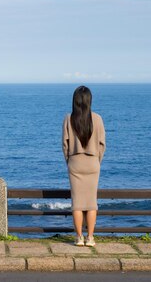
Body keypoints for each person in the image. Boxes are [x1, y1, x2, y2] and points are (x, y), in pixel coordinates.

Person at [62, 86, 106, 247]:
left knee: (78, 203)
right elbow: (102, 145)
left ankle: (79, 237)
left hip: (75, 162)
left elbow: (65, 145)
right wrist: (96, 161)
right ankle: (90, 238)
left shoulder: (68, 118)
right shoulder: (98, 119)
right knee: (91, 202)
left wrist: (70, 161)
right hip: (93, 163)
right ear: (89, 100)